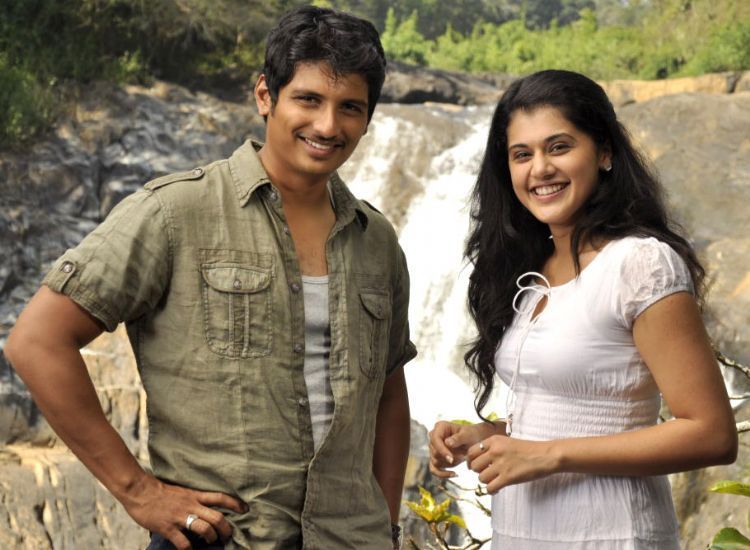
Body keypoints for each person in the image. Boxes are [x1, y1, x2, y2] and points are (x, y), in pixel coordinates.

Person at [4, 6, 415, 550]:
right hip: (220, 539)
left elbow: (387, 392)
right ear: (265, 95)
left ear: (367, 119)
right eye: (308, 99)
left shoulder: (376, 240)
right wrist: (138, 492)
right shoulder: (175, 212)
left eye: (350, 108)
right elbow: (36, 341)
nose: (327, 126)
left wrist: (387, 527)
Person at [428, 69, 737, 549]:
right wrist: (486, 434)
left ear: (604, 152)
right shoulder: (532, 270)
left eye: (559, 147)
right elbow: (575, 414)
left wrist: (547, 456)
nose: (540, 169)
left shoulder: (639, 264)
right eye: (522, 154)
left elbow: (712, 434)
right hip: (524, 536)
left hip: (611, 534)